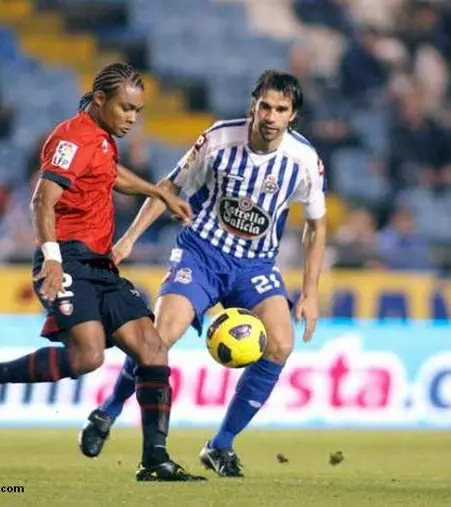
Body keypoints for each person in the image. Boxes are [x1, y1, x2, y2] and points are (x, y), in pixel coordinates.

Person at [0, 62, 205, 482]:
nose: (132, 119)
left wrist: (157, 192)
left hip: (100, 265)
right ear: (99, 100)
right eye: (126, 109)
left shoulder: (102, 140)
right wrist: (52, 258)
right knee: (88, 357)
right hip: (66, 258)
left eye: (137, 111)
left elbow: (109, 174)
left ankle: (155, 459)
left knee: (153, 348)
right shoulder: (70, 137)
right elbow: (41, 201)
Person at [80, 70, 327, 477]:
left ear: (292, 116)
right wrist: (127, 242)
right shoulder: (217, 140)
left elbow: (317, 225)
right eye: (264, 106)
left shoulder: (303, 162)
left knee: (281, 345)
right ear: (253, 105)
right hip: (202, 254)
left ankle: (220, 445)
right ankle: (106, 412)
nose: (270, 116)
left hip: (255, 266)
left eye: (280, 110)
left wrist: (311, 291)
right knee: (158, 339)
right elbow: (168, 187)